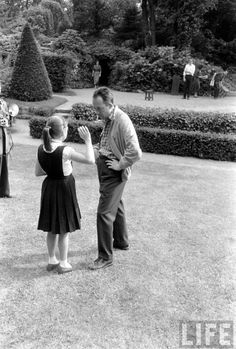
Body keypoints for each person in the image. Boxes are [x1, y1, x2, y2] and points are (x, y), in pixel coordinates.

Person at [35, 115, 95, 274]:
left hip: (49, 187)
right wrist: (88, 141)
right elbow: (90, 160)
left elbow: (38, 172)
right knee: (63, 228)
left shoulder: (42, 148)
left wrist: (51, 168)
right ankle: (63, 263)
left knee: (51, 227)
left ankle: (51, 260)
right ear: (63, 131)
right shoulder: (65, 150)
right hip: (64, 187)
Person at [90, 87, 142, 270]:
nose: (96, 112)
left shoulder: (122, 119)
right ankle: (121, 241)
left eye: (98, 108)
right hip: (105, 168)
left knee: (104, 213)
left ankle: (105, 257)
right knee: (116, 204)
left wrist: (120, 165)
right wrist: (98, 148)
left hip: (114, 172)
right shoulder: (109, 119)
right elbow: (109, 141)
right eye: (95, 108)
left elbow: (135, 151)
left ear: (110, 105)